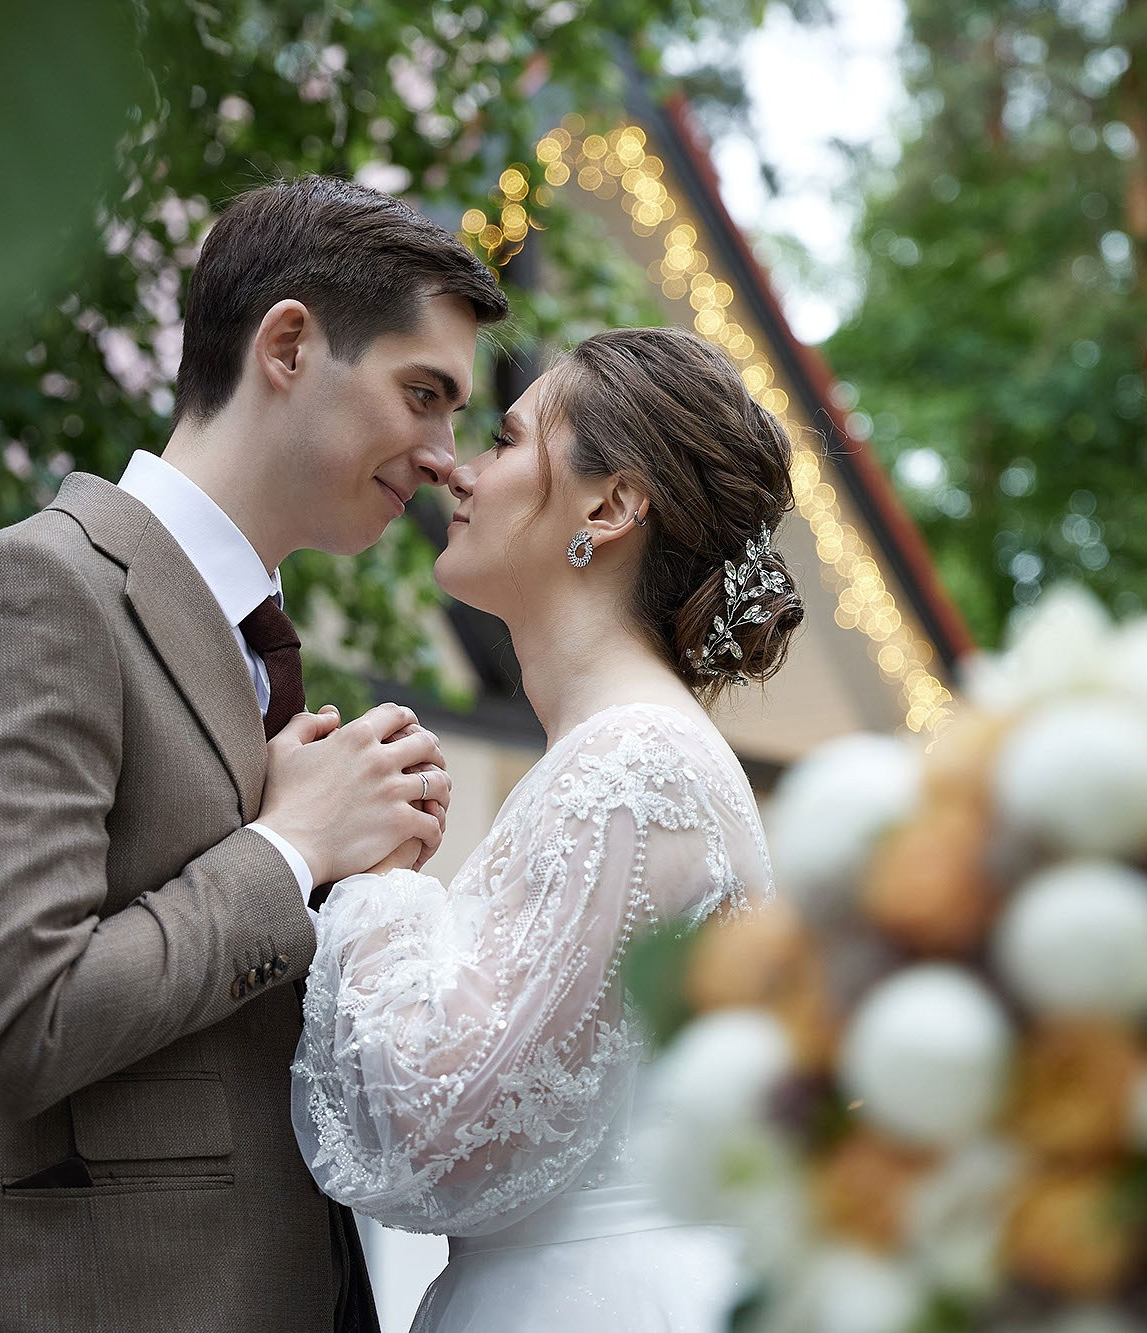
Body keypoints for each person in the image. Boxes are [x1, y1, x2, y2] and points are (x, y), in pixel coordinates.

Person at [0, 177, 506, 1333]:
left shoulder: (253, 649)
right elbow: (23, 1021)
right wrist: (288, 847)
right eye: (424, 394)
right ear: (286, 345)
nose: (445, 457)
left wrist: (357, 884)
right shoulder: (35, 592)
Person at [291, 326, 805, 1331]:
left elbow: (438, 1129)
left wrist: (373, 874)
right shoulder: (614, 755)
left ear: (608, 506)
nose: (454, 467)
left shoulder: (635, 766)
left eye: (505, 439)